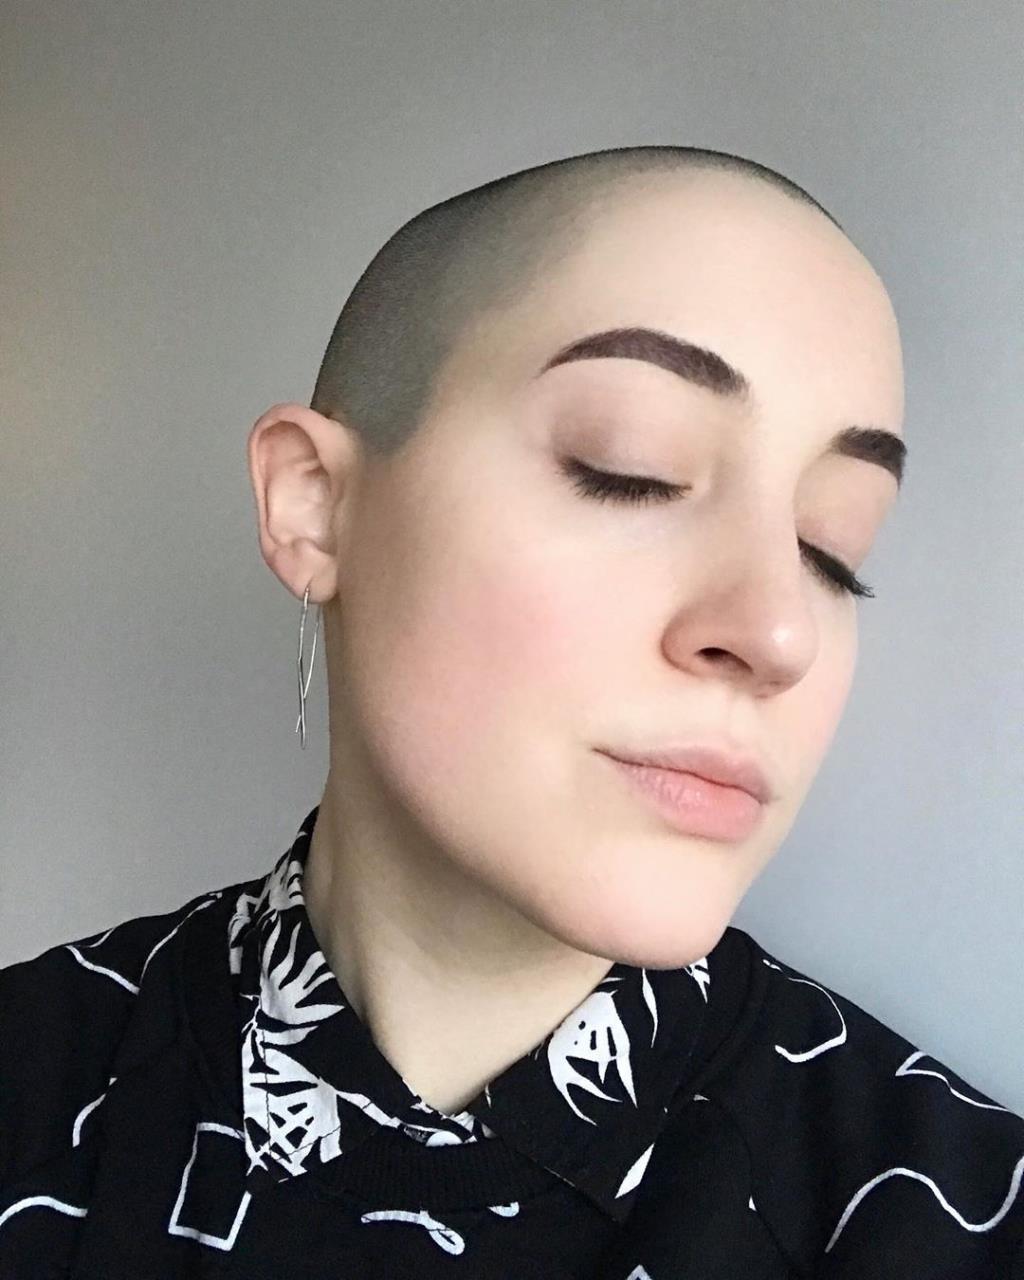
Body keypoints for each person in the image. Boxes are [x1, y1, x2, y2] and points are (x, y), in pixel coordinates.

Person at [2, 144, 1022, 1278]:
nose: (779, 632)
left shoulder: (954, 1218)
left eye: (834, 547)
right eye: (627, 468)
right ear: (315, 505)